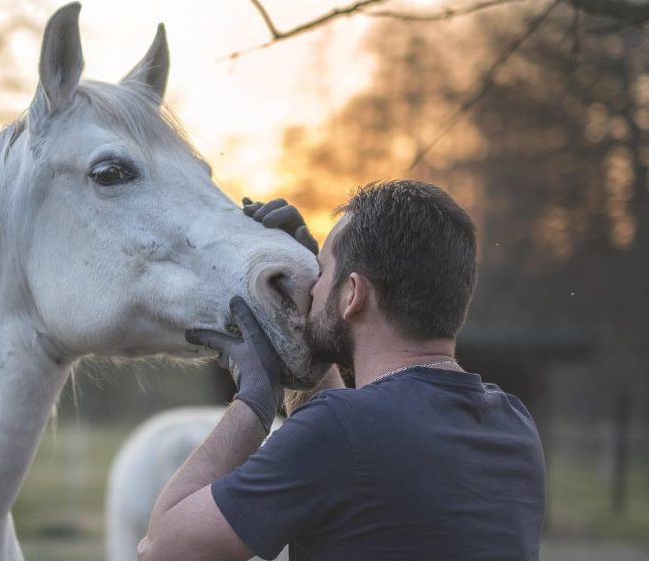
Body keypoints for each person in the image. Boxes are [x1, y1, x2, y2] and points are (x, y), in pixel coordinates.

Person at [137, 180, 546, 561]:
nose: (312, 288)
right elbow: (354, 444)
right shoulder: (513, 425)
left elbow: (160, 548)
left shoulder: (339, 430)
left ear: (353, 294)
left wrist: (254, 401)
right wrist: (307, 326)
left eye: (323, 272)